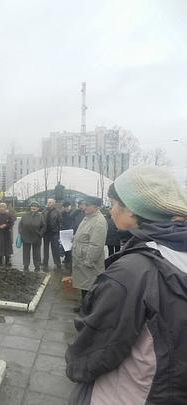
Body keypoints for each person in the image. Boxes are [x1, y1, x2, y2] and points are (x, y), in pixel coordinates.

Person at [66, 166, 187, 404]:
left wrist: (74, 366)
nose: (110, 211)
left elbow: (95, 349)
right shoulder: (175, 251)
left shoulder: (133, 270)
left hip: (127, 393)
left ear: (132, 210)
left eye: (113, 203)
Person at [71, 196, 107, 305]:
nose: (84, 207)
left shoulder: (99, 221)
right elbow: (85, 234)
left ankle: (88, 310)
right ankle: (84, 306)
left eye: (87, 205)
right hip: (82, 258)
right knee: (84, 285)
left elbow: (96, 244)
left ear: (95, 206)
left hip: (88, 261)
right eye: (84, 205)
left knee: (90, 286)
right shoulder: (88, 217)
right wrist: (76, 238)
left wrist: (89, 261)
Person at [18, 201, 46, 271]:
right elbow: (20, 224)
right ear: (30, 207)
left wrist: (40, 234)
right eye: (32, 206)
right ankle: (26, 265)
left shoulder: (41, 216)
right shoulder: (25, 215)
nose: (33, 207)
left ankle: (37, 266)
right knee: (26, 252)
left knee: (36, 252)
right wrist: (21, 232)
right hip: (26, 236)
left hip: (36, 237)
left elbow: (44, 226)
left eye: (35, 206)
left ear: (38, 208)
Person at [42, 198, 62, 272]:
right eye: (48, 202)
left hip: (54, 233)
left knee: (55, 249)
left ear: (54, 204)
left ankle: (57, 263)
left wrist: (58, 232)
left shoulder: (57, 212)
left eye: (50, 202)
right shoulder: (44, 211)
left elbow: (60, 223)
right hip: (46, 233)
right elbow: (42, 221)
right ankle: (45, 262)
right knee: (45, 249)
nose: (48, 203)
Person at [61, 201, 75, 269]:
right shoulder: (62, 214)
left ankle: (70, 260)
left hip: (71, 232)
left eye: (67, 207)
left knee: (70, 247)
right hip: (64, 232)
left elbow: (75, 222)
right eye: (65, 207)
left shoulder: (73, 213)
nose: (66, 208)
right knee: (65, 247)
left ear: (70, 206)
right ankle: (66, 258)